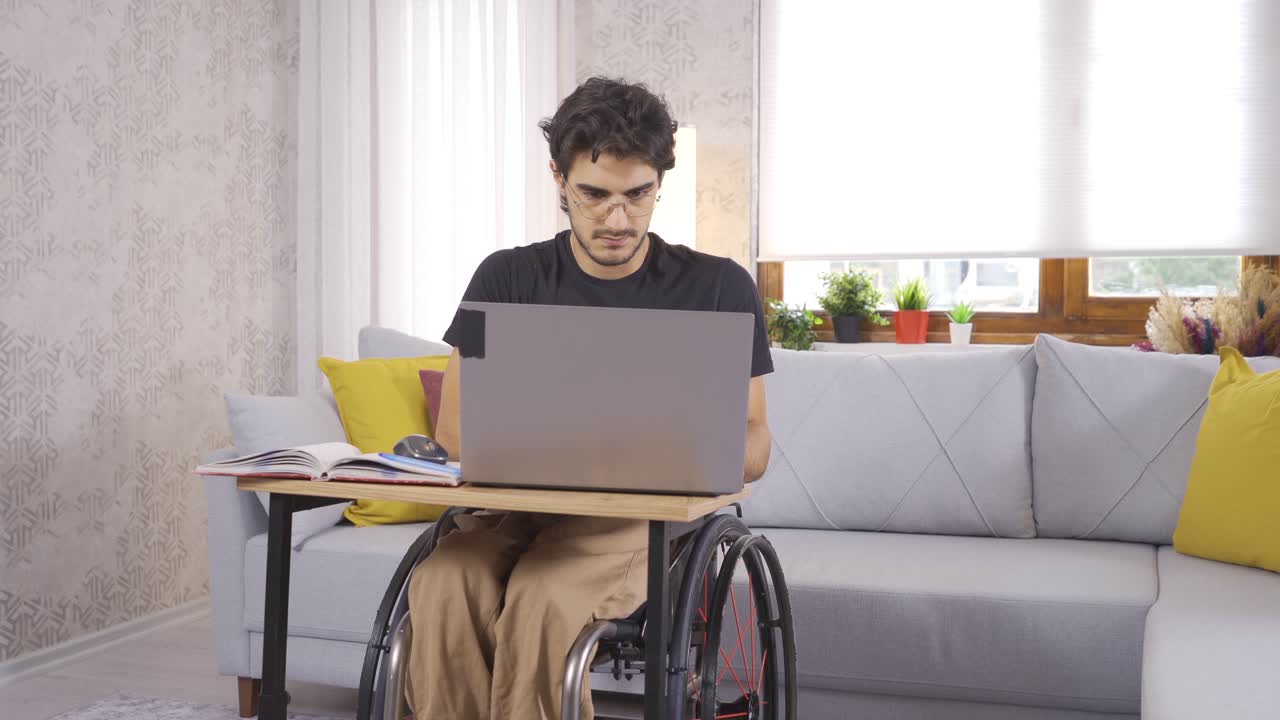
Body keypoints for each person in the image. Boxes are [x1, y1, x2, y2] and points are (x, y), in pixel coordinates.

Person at [405, 76, 774, 719]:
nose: (618, 219)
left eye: (638, 194)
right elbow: (456, 433)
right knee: (442, 581)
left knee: (543, 597)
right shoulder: (504, 279)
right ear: (559, 178)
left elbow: (755, 440)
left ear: (660, 181)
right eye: (595, 195)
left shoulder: (719, 288)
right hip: (514, 509)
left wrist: (684, 454)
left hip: (635, 523)